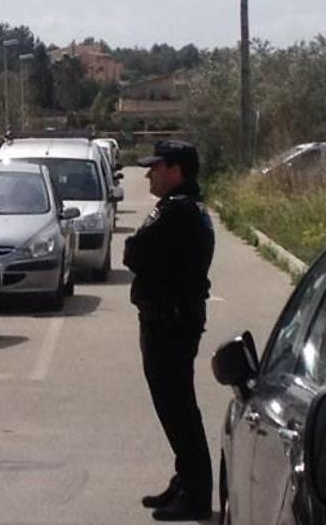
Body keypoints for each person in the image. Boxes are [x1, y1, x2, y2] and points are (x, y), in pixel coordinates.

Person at [123, 140, 215, 522]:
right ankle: (186, 480)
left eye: (156, 167)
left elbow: (134, 253)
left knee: (178, 409)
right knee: (176, 409)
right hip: (174, 320)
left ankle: (195, 492)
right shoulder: (188, 209)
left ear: (175, 170)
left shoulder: (177, 212)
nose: (148, 174)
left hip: (169, 323)